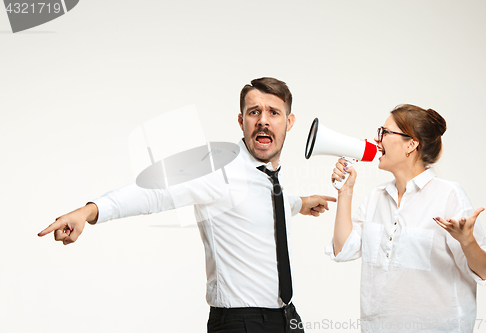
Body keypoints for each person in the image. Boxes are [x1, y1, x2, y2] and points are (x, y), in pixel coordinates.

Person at [38, 77, 336, 333]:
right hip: (240, 322)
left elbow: (260, 204)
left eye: (274, 112)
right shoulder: (218, 169)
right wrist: (90, 211)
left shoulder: (271, 177)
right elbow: (155, 192)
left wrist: (299, 203)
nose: (263, 120)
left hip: (287, 317)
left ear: (289, 121)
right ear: (241, 120)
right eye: (254, 112)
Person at [328, 104, 486, 332]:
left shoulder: (448, 195)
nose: (377, 141)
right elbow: (343, 250)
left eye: (384, 132)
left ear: (411, 143)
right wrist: (345, 192)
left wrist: (467, 241)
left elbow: (484, 271)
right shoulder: (376, 198)